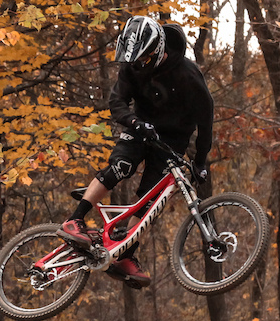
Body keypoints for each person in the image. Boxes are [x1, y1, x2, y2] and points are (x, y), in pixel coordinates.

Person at [57, 15, 214, 288]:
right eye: (135, 60)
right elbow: (116, 102)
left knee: (151, 199)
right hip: (140, 128)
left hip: (173, 141)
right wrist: (135, 123)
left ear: (158, 49)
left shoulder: (187, 73)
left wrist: (200, 161)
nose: (138, 65)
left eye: (143, 59)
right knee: (122, 166)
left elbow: (206, 118)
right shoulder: (131, 65)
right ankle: (74, 220)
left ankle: (124, 253)